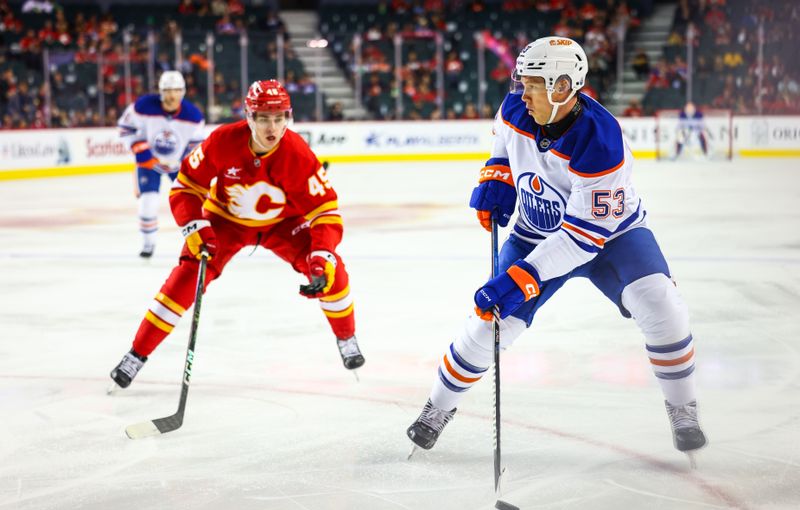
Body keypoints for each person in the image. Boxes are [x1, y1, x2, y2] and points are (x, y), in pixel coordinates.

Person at [406, 37, 707, 459]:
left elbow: (583, 239)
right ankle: (435, 410)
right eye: (521, 82)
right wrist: (498, 175)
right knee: (490, 326)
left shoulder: (602, 141)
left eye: (531, 84)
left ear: (563, 87)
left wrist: (522, 278)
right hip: (535, 233)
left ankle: (683, 408)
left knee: (662, 306)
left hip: (612, 238)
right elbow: (502, 141)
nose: (521, 92)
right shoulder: (516, 107)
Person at [110, 79, 364, 388]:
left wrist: (321, 254)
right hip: (225, 221)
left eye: (279, 117)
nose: (273, 127)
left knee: (331, 270)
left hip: (283, 224)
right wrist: (195, 224)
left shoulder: (298, 153)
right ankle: (137, 354)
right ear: (249, 116)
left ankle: (346, 337)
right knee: (187, 277)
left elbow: (326, 211)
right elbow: (186, 187)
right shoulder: (222, 141)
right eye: (264, 118)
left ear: (288, 117)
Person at [118, 70, 206, 258]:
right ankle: (148, 244)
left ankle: (201, 241)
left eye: (175, 90)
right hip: (150, 163)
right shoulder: (143, 106)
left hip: (179, 166)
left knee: (194, 202)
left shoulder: (193, 116)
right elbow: (125, 128)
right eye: (167, 90)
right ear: (161, 91)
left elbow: (196, 146)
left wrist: (183, 162)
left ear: (182, 92)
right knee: (147, 202)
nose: (171, 95)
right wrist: (144, 154)